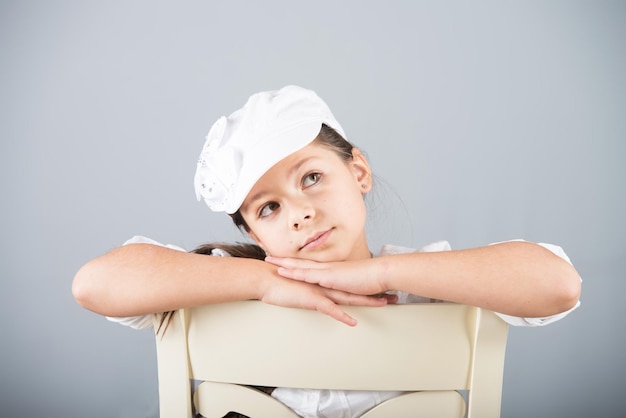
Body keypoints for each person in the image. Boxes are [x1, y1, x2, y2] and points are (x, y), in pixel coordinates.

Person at [72, 85, 582, 418]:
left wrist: (382, 272)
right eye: (268, 208)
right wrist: (264, 283)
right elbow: (95, 284)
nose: (299, 213)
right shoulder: (224, 288)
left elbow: (558, 285)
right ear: (253, 230)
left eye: (311, 178)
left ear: (358, 171)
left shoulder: (431, 285)